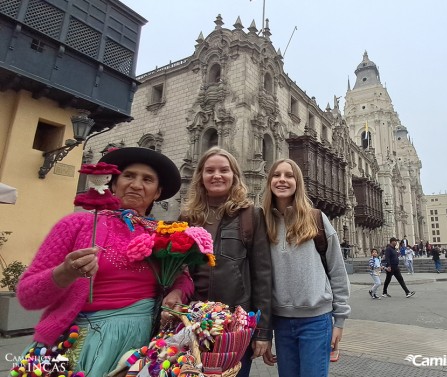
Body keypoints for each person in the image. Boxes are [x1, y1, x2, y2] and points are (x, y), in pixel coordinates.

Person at [16, 147, 194, 376]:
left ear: (157, 192)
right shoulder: (76, 224)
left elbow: (183, 277)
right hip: (79, 343)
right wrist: (65, 272)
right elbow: (27, 295)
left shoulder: (163, 235)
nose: (136, 185)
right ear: (112, 184)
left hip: (142, 347)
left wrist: (177, 292)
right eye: (128, 176)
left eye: (147, 180)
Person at [180, 147, 272, 377]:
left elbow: (263, 276)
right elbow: (178, 270)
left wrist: (262, 333)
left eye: (224, 170)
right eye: (209, 170)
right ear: (200, 176)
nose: (217, 175)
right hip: (193, 324)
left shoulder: (250, 215)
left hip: (235, 326)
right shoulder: (187, 218)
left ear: (234, 176)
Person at [260, 159, 350, 377]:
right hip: (280, 323)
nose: (282, 180)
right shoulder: (262, 222)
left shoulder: (316, 219)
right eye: (276, 175)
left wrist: (339, 321)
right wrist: (265, 332)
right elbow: (261, 279)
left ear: (298, 182)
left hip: (316, 322)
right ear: (269, 181)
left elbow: (337, 271)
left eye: (289, 176)